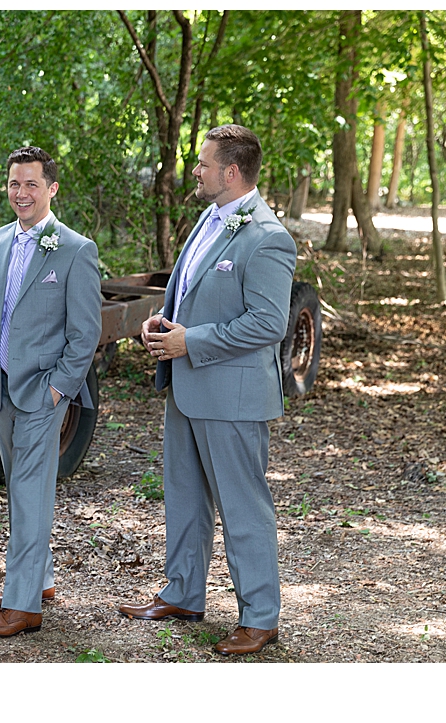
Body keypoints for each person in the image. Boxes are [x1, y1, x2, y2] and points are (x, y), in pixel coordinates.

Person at [117, 124, 297, 656]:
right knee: (185, 499)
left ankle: (260, 617)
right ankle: (183, 593)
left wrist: (190, 340)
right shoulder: (206, 219)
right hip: (187, 388)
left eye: (203, 162)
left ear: (231, 172)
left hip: (234, 398)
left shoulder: (268, 237)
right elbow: (190, 294)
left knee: (243, 507)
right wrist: (161, 323)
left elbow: (268, 324)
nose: (195, 170)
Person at [0, 146, 102, 637]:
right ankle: (37, 579)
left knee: (29, 493)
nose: (22, 193)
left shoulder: (75, 249)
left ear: (52, 188)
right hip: (0, 391)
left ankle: (23, 607)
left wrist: (58, 391)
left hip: (43, 394)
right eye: (15, 184)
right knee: (20, 490)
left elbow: (85, 334)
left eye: (32, 184)